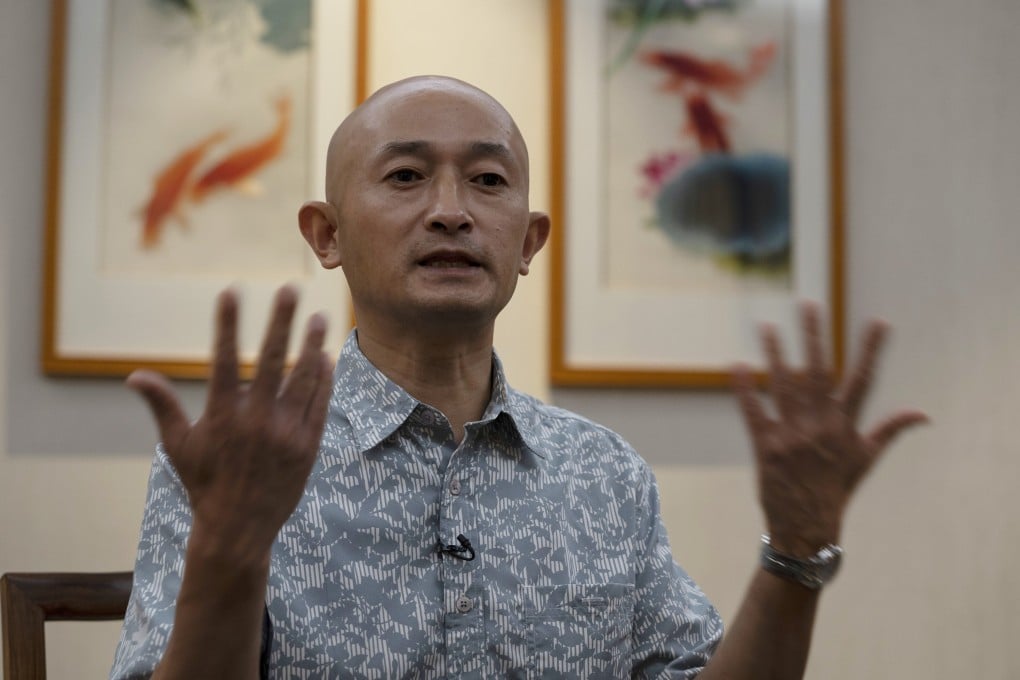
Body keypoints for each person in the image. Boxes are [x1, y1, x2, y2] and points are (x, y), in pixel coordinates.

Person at [110, 76, 927, 679]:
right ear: (327, 235)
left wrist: (794, 551)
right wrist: (230, 551)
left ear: (529, 242)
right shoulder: (240, 462)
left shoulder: (603, 474)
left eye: (488, 181)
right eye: (406, 176)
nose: (451, 210)